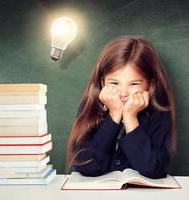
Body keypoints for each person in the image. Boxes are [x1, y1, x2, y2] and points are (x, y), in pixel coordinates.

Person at [65, 35, 176, 179]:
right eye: (114, 83)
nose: (123, 93)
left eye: (134, 84)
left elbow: (154, 170)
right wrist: (114, 115)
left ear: (150, 85)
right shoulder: (90, 107)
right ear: (103, 82)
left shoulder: (159, 113)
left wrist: (131, 119)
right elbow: (87, 167)